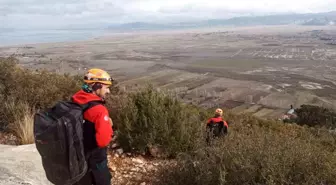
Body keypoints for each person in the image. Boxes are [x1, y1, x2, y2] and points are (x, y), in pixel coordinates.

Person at [72, 68, 114, 185]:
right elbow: (103, 141)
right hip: (93, 160)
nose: (108, 91)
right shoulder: (99, 111)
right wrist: (108, 127)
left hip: (77, 155)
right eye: (106, 87)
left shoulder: (77, 98)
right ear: (97, 86)